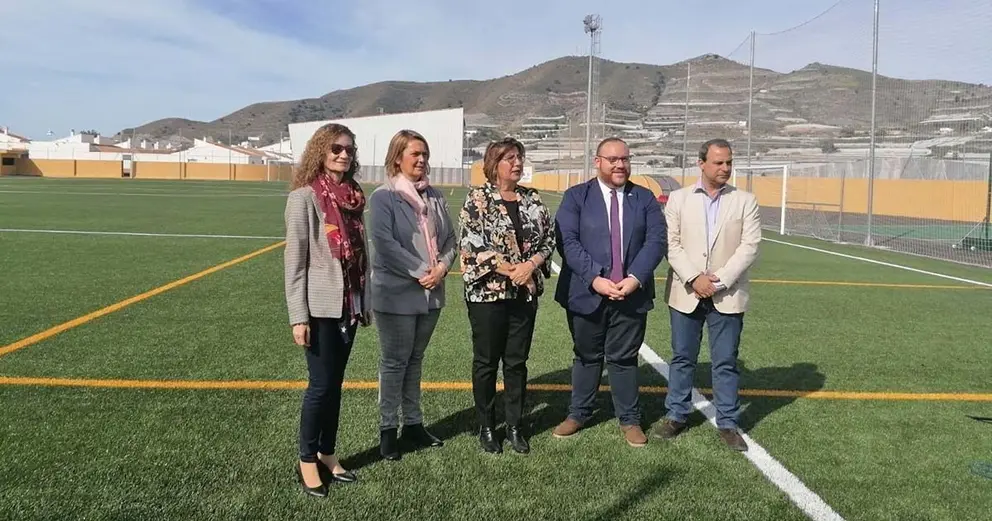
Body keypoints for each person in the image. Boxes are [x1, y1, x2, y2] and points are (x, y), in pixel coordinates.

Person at [552, 137, 667, 448]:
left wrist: (635, 278)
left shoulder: (644, 198)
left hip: (631, 293)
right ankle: (578, 413)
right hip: (586, 293)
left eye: (625, 159)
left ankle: (629, 419)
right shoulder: (576, 196)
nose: (620, 165)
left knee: (624, 358)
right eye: (613, 159)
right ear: (598, 162)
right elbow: (567, 242)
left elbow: (656, 241)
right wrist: (595, 278)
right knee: (586, 355)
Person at [652, 138, 761, 452]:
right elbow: (671, 244)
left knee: (725, 361)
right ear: (701, 164)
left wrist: (720, 280)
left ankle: (727, 422)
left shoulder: (746, 201)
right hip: (686, 291)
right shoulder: (679, 199)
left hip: (727, 294)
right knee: (682, 358)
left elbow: (750, 246)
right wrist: (694, 278)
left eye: (729, 162)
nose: (725, 168)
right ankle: (676, 415)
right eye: (718, 162)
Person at [284, 123, 372, 497]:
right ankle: (307, 459)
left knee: (335, 384)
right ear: (321, 151)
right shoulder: (304, 198)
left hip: (349, 304)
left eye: (349, 149)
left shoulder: (353, 197)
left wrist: (364, 301)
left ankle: (327, 453)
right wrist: (298, 317)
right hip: (319, 307)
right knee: (320, 385)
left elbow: (361, 256)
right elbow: (295, 261)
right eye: (336, 148)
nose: (343, 154)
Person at [458, 137, 555, 454]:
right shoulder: (477, 199)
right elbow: (471, 243)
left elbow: (548, 239)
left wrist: (531, 265)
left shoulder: (532, 199)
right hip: (488, 295)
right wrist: (513, 270)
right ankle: (487, 427)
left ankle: (514, 425)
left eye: (520, 157)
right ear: (494, 163)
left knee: (516, 362)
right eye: (510, 158)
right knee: (486, 362)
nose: (517, 163)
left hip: (524, 295)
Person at [368, 129, 456, 461]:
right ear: (397, 158)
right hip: (396, 293)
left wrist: (441, 269)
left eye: (424, 154)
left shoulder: (435, 196)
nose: (421, 160)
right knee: (394, 362)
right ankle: (388, 429)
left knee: (415, 360)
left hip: (431, 294)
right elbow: (385, 244)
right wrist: (422, 271)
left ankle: (414, 424)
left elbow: (451, 240)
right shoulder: (383, 197)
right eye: (415, 154)